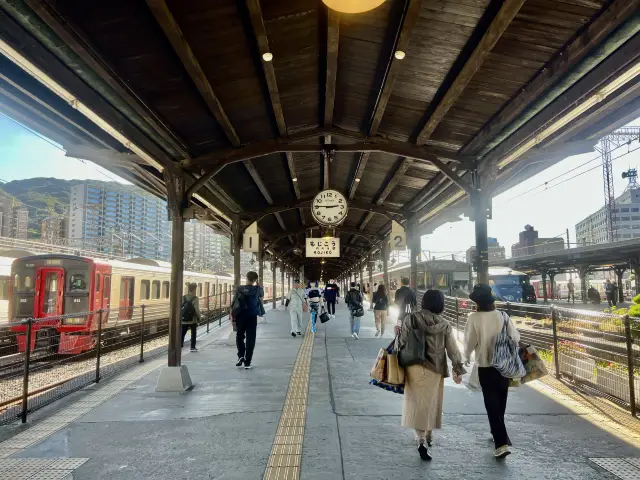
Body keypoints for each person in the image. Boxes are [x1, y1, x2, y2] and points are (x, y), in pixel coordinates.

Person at [399, 290, 465, 461]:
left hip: (413, 365)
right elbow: (453, 350)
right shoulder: (445, 324)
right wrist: (457, 369)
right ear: (441, 304)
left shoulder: (411, 319)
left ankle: (421, 439)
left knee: (416, 402)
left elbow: (402, 342)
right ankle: (428, 435)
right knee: (430, 402)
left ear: (424, 302)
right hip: (434, 368)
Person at [464, 284, 520, 459]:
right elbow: (515, 337)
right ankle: (499, 432)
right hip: (504, 365)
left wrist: (465, 357)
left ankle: (501, 443)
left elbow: (469, 342)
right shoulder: (503, 315)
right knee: (501, 399)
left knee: (491, 403)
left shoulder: (473, 317)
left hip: (485, 365)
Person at [232, 271, 263, 369]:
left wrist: (233, 317)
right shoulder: (257, 289)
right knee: (251, 339)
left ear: (246, 278)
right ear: (255, 280)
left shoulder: (239, 288)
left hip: (240, 316)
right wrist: (258, 285)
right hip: (252, 317)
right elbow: (262, 295)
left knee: (239, 336)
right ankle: (247, 362)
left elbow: (234, 303)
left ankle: (241, 355)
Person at [181, 283, 201, 352]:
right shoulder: (195, 298)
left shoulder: (183, 297)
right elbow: (197, 310)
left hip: (184, 319)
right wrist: (199, 317)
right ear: (194, 289)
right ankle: (192, 347)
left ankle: (180, 345)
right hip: (193, 320)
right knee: (193, 333)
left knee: (182, 333)